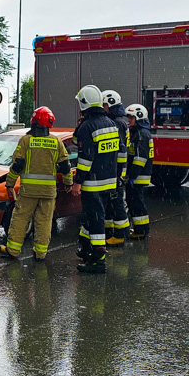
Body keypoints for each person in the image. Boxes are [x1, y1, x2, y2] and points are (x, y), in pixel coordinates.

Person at [0, 106, 73, 261]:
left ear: (34, 121)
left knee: (20, 218)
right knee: (44, 221)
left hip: (28, 191)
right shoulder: (56, 142)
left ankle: (12, 250)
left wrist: (10, 183)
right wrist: (68, 182)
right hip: (48, 192)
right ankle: (40, 253)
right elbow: (65, 166)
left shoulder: (26, 140)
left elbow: (18, 164)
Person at [71, 85, 119, 274]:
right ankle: (87, 249)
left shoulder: (87, 127)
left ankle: (98, 261)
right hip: (109, 181)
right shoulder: (111, 123)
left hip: (93, 183)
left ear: (84, 104)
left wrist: (77, 182)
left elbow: (85, 159)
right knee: (93, 218)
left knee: (96, 220)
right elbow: (118, 153)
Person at [102, 90, 131, 246]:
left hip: (117, 171)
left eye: (105, 105)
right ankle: (117, 232)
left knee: (117, 203)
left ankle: (120, 236)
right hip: (116, 170)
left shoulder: (118, 122)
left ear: (111, 104)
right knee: (113, 204)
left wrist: (120, 174)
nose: (103, 108)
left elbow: (121, 151)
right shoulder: (119, 120)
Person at [125, 104, 153, 239]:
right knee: (133, 202)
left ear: (139, 117)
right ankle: (139, 229)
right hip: (137, 175)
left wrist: (132, 176)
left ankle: (141, 231)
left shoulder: (142, 134)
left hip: (138, 176)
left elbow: (140, 158)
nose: (129, 120)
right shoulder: (139, 132)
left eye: (131, 117)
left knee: (137, 203)